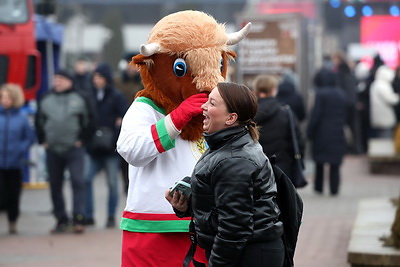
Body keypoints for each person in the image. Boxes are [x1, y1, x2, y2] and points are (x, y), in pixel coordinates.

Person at [166, 82, 285, 266]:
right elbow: (227, 207)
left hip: (250, 255)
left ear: (231, 118)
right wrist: (186, 206)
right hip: (250, 251)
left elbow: (234, 227)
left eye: (212, 103)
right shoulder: (229, 144)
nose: (203, 106)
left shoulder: (233, 159)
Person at [35, 69, 95, 233]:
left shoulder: (80, 98)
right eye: (55, 79)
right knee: (55, 184)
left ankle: (78, 218)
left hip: (74, 149)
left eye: (61, 79)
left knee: (78, 182)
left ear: (70, 81)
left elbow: (89, 120)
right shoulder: (46, 99)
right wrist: (43, 141)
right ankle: (61, 219)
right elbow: (38, 121)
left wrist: (82, 140)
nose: (57, 82)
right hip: (53, 149)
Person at [84, 63, 129, 228]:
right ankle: (88, 215)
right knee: (86, 179)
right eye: (94, 77)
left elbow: (126, 115)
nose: (96, 80)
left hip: (110, 149)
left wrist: (119, 125)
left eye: (99, 77)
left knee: (112, 183)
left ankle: (110, 216)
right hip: (93, 148)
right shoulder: (89, 95)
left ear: (106, 78)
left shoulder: (116, 96)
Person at [253, 74, 305, 180]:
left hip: (255, 167)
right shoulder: (286, 113)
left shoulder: (250, 114)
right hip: (283, 168)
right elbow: (297, 140)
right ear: (273, 90)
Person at [0, 84, 35, 234]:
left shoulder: (22, 118)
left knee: (13, 194)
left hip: (15, 163)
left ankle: (12, 221)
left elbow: (29, 137)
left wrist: (20, 149)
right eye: (2, 97)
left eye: (7, 97)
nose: (4, 100)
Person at [307, 68, 347, 196]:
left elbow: (316, 114)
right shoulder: (341, 94)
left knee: (319, 161)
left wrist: (310, 131)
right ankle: (334, 188)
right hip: (337, 132)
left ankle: (319, 187)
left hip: (321, 133)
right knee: (335, 163)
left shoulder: (320, 94)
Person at [369, 65, 399, 138]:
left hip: (379, 115)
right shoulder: (382, 85)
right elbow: (390, 99)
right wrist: (397, 96)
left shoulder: (376, 83)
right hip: (384, 116)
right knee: (385, 139)